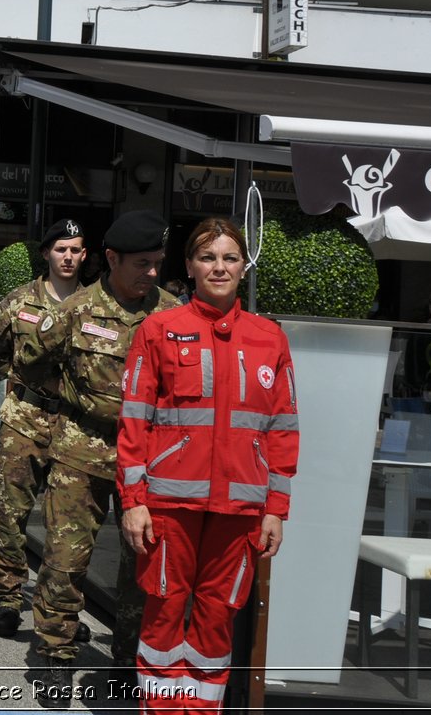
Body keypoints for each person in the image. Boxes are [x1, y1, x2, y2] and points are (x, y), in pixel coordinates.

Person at [119, 218, 298, 711]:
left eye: (229, 258)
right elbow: (134, 422)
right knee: (163, 614)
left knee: (218, 618)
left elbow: (283, 430)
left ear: (244, 266)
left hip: (240, 508)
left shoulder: (271, 338)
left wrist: (275, 508)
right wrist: (133, 502)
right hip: (168, 504)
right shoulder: (159, 329)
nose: (219, 267)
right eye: (208, 257)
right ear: (190, 266)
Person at [17, 209, 178, 704]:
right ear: (111, 259)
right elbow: (26, 361)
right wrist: (64, 404)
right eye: (141, 264)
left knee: (141, 569)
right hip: (81, 450)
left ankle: (128, 662)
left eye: (157, 263)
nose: (151, 273)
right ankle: (55, 654)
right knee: (66, 561)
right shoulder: (76, 310)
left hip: (148, 462)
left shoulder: (172, 314)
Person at [0, 219, 88, 639]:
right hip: (24, 419)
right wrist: (22, 383)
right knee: (10, 511)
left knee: (67, 524)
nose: (68, 256)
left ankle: (59, 607)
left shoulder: (95, 303)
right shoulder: (19, 300)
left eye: (76, 249)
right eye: (61, 248)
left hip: (74, 426)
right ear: (46, 253)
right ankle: (8, 600)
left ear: (85, 255)